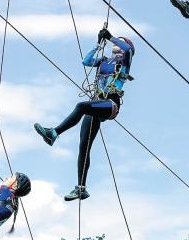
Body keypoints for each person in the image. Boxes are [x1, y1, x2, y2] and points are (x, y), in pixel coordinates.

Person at [33, 27, 135, 201]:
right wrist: (98, 44)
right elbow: (86, 61)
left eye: (119, 43)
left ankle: (54, 133)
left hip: (110, 103)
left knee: (80, 106)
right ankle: (81, 187)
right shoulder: (104, 61)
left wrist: (110, 37)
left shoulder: (124, 63)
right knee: (84, 146)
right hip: (96, 104)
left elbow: (128, 50)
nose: (116, 46)